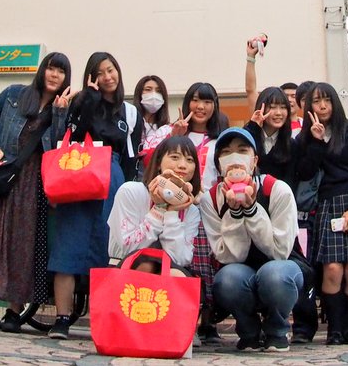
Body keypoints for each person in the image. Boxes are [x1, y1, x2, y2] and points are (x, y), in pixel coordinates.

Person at [0, 53, 73, 333]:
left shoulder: (62, 109)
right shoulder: (13, 94)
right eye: (51, 68)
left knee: (23, 246)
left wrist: (59, 114)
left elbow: (59, 148)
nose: (54, 75)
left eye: (61, 71)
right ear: (42, 70)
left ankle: (13, 313)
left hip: (33, 185)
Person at [48, 52, 141, 340]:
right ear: (92, 77)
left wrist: (127, 191)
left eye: (111, 70)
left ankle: (101, 320)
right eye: (100, 72)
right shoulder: (81, 100)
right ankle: (62, 318)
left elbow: (131, 157)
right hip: (79, 171)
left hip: (112, 177)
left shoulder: (130, 112)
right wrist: (89, 97)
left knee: (107, 248)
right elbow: (71, 135)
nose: (107, 77)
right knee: (68, 244)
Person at [201, 127, 302, 352]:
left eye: (242, 150)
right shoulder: (211, 200)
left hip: (281, 267)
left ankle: (277, 330)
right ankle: (249, 331)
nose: (234, 158)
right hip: (239, 271)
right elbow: (229, 256)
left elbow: (279, 252)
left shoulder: (277, 190)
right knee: (227, 279)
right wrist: (236, 213)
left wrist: (252, 209)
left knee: (274, 275)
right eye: (226, 152)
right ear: (218, 164)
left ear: (254, 159)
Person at [296, 83, 348, 345]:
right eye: (316, 101)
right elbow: (305, 172)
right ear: (309, 106)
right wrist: (316, 141)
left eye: (327, 100)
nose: (322, 106)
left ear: (334, 102)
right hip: (327, 204)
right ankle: (334, 329)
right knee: (332, 269)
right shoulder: (305, 137)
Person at [244, 87, 317, 343]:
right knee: (255, 266)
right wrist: (252, 128)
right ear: (262, 109)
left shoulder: (292, 144)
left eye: (282, 107)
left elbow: (306, 172)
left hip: (283, 215)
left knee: (295, 265)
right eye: (272, 107)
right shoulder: (249, 138)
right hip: (251, 213)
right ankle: (257, 325)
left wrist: (313, 141)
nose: (278, 113)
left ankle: (304, 328)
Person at [172, 81, 224, 343]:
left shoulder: (221, 139)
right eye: (195, 100)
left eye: (207, 101)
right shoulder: (176, 134)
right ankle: (185, 320)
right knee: (185, 263)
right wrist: (175, 136)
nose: (200, 106)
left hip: (210, 208)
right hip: (179, 207)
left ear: (214, 106)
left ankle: (208, 321)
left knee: (208, 264)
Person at [107, 135, 201, 269]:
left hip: (170, 273)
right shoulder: (131, 191)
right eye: (175, 157)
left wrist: (172, 213)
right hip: (126, 270)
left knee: (175, 272)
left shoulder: (191, 211)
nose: (182, 165)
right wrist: (159, 208)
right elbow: (127, 248)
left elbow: (180, 260)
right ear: (158, 163)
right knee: (146, 266)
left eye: (190, 160)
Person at [132, 75, 172, 179]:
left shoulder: (168, 129)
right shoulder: (131, 124)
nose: (154, 94)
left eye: (158, 91)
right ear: (139, 94)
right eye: (148, 89)